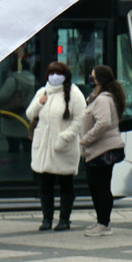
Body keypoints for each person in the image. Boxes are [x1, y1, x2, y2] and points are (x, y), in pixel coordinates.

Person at [26, 60, 86, 232]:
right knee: (45, 186)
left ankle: (64, 219)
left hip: (63, 147)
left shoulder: (74, 94)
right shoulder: (43, 91)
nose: (54, 77)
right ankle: (47, 219)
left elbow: (80, 119)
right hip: (43, 147)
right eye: (51, 73)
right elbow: (30, 113)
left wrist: (65, 137)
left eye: (58, 73)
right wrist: (39, 102)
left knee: (65, 184)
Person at [78, 65, 125, 237]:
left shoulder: (103, 99)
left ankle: (104, 224)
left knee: (101, 186)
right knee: (95, 186)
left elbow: (103, 122)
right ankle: (100, 221)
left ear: (99, 79)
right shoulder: (96, 97)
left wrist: (86, 138)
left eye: (92, 76)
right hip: (95, 150)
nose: (90, 79)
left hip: (102, 149)